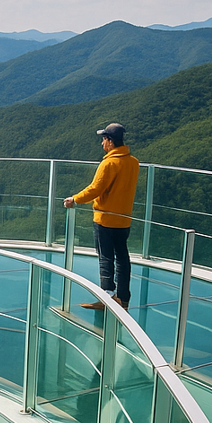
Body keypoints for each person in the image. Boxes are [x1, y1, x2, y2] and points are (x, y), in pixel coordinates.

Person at [64, 122, 140, 310]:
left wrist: (75, 199)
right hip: (124, 219)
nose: (102, 143)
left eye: (104, 139)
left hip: (105, 219)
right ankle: (123, 299)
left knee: (106, 258)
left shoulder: (108, 163)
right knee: (122, 258)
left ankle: (108, 298)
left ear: (110, 141)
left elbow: (95, 189)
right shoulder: (133, 162)